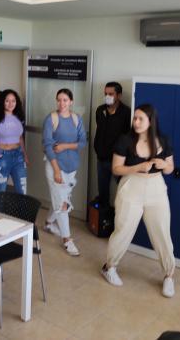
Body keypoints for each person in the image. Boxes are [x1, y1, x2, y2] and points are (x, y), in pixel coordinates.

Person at [101, 103, 176, 297]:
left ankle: (169, 275)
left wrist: (163, 165)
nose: (136, 122)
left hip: (156, 189)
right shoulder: (125, 140)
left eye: (140, 118)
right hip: (131, 187)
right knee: (123, 229)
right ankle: (110, 267)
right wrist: (138, 167)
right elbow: (116, 168)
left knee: (162, 232)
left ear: (151, 121)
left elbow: (170, 168)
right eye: (135, 118)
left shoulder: (164, 140)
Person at [42, 88, 87, 256]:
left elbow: (83, 142)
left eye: (65, 100)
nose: (62, 103)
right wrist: (56, 170)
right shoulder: (51, 119)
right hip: (55, 166)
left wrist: (65, 146)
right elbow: (47, 145)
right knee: (62, 203)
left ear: (71, 102)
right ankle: (67, 240)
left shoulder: (76, 119)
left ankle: (48, 223)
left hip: (72, 166)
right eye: (59, 100)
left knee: (61, 197)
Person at [93, 81, 131, 207]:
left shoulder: (126, 113)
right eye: (105, 93)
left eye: (111, 93)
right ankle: (102, 220)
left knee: (123, 192)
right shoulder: (100, 110)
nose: (107, 96)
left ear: (118, 96)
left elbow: (128, 137)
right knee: (102, 192)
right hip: (101, 159)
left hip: (118, 161)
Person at [0, 89, 28, 198]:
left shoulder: (19, 117)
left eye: (13, 101)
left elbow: (20, 138)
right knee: (0, 191)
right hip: (1, 156)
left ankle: (20, 215)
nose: (10, 104)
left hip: (18, 156)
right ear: (2, 102)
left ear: (16, 102)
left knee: (22, 190)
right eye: (7, 101)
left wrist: (25, 155)